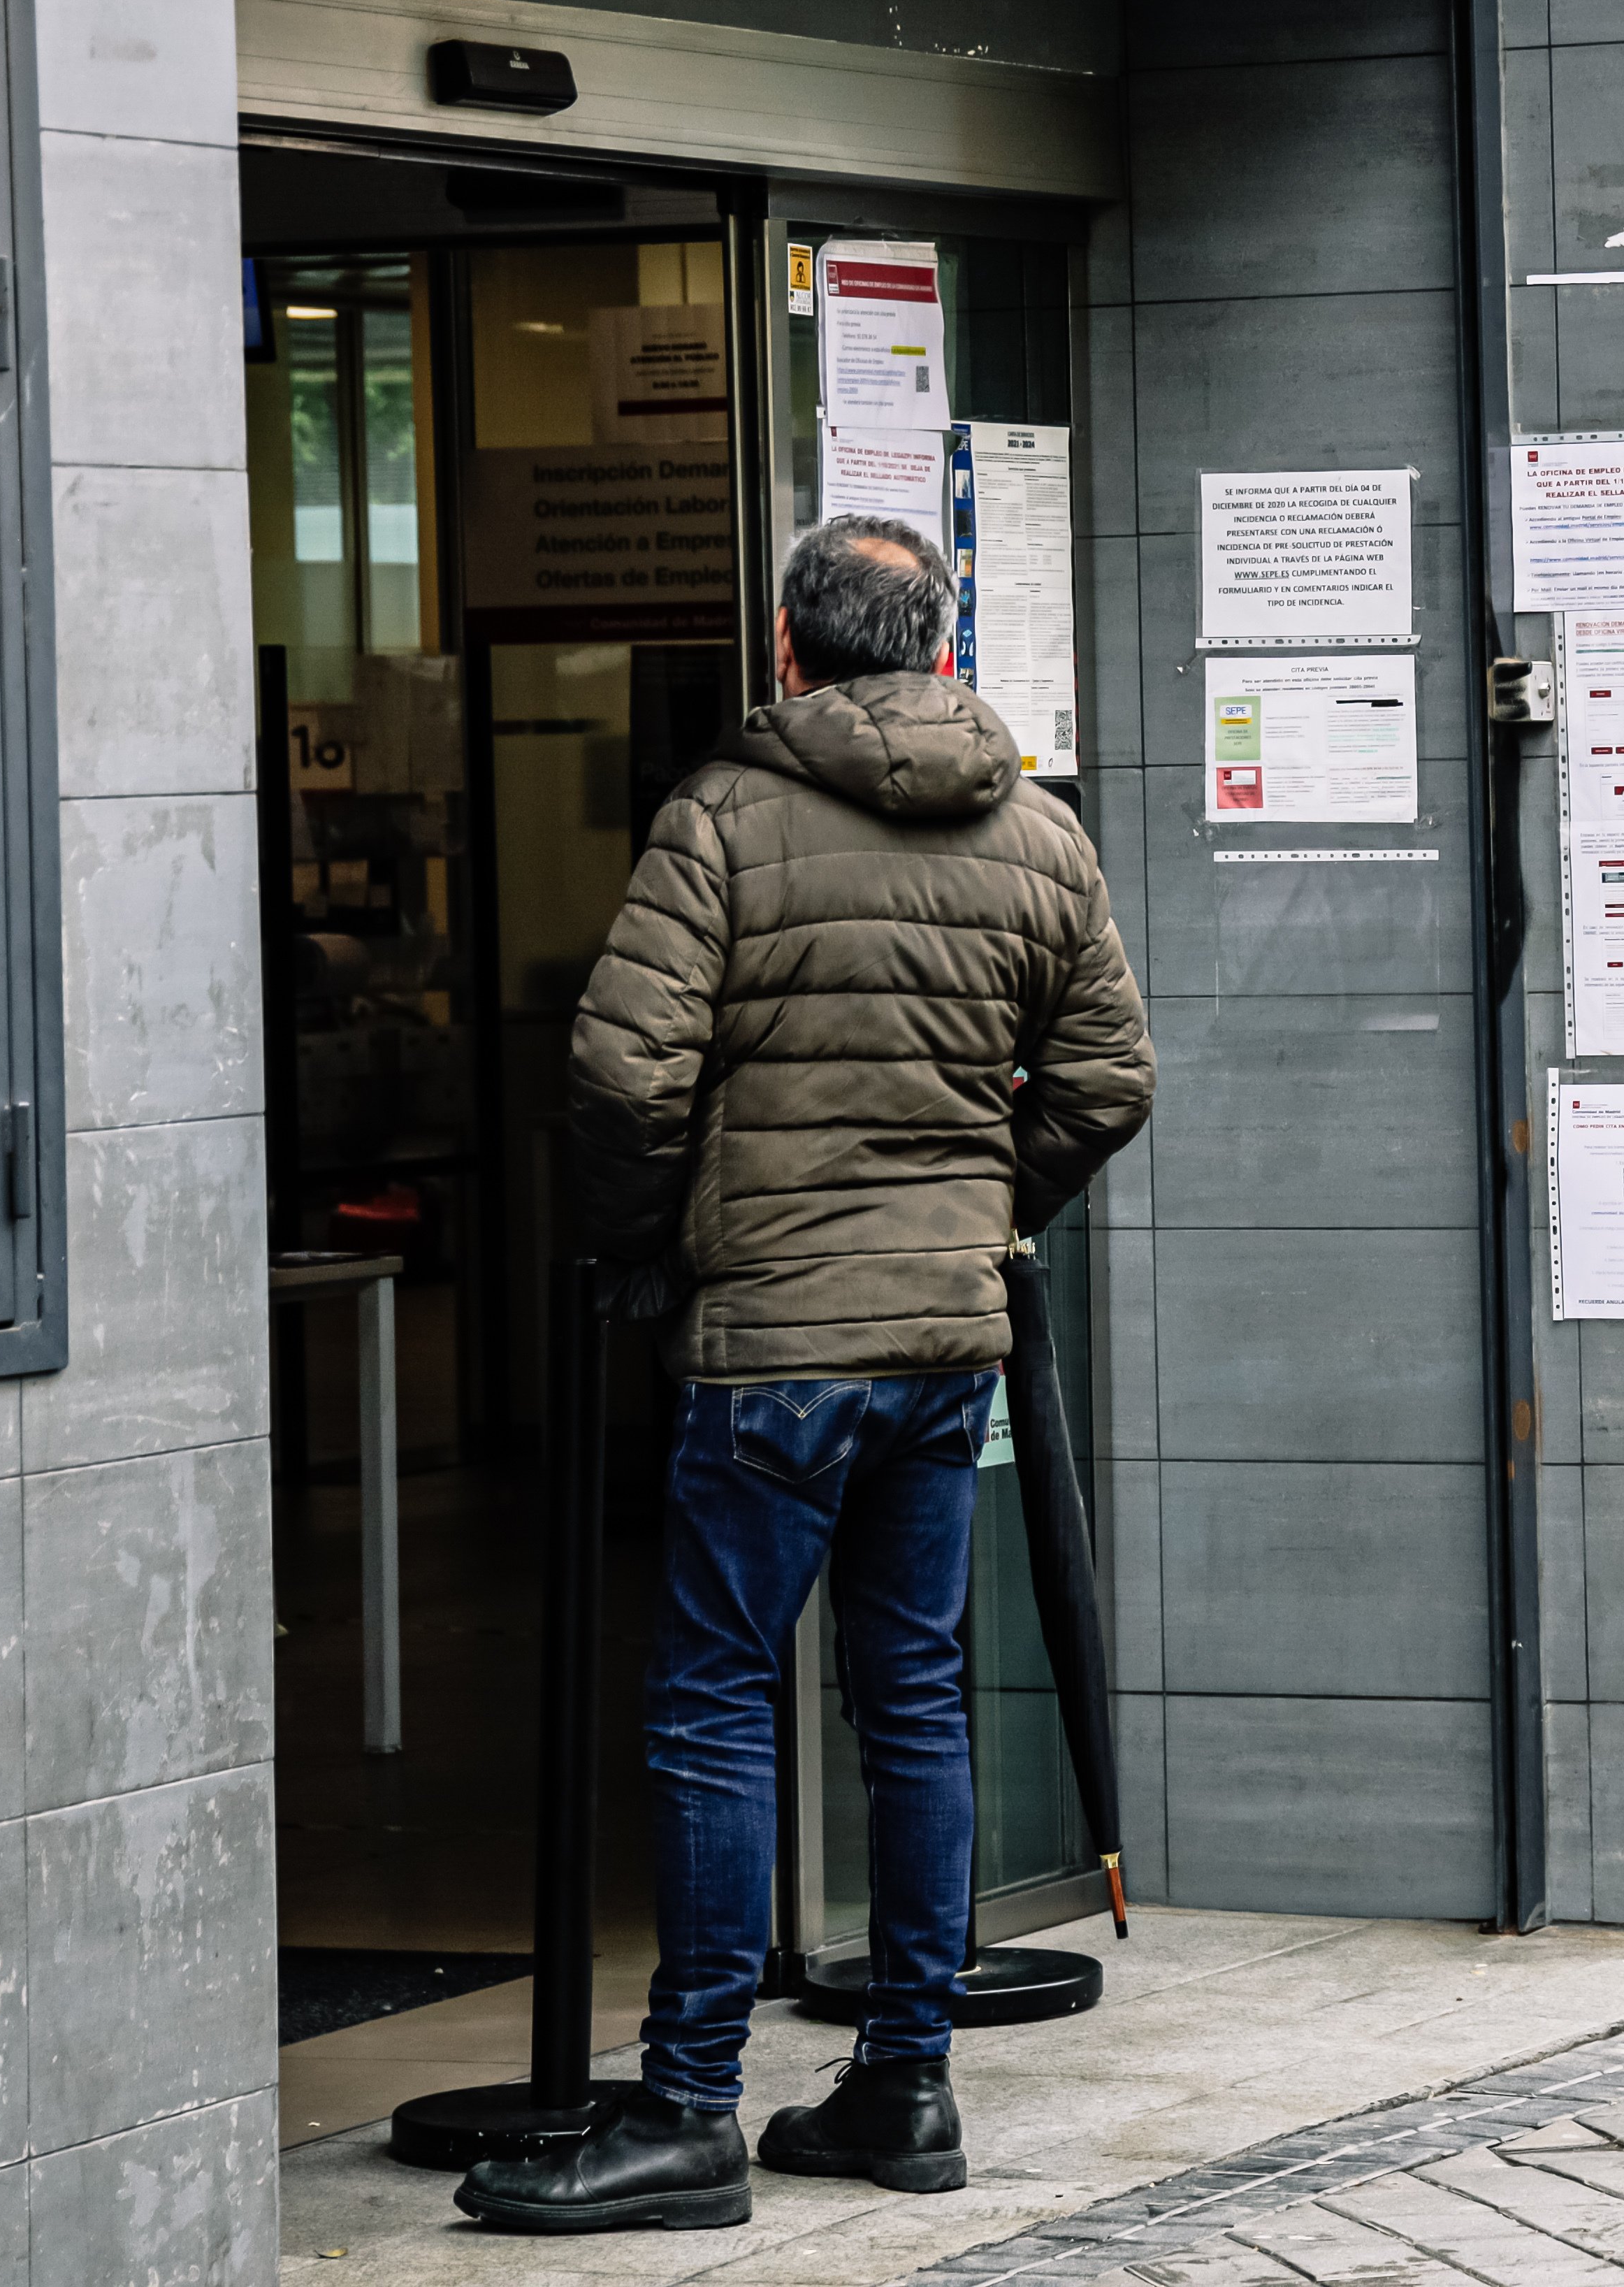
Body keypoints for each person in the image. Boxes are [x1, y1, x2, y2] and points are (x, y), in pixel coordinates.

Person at [459, 516, 1155, 2235]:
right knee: (909, 1695)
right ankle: (903, 2086)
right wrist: (985, 1213)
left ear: (787, 649)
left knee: (715, 1703)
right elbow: (1110, 1077)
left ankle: (692, 2107)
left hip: (774, 1343)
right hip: (940, 1349)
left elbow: (622, 1080)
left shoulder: (725, 818)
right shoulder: (1037, 834)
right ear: (943, 636)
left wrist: (655, 1244)